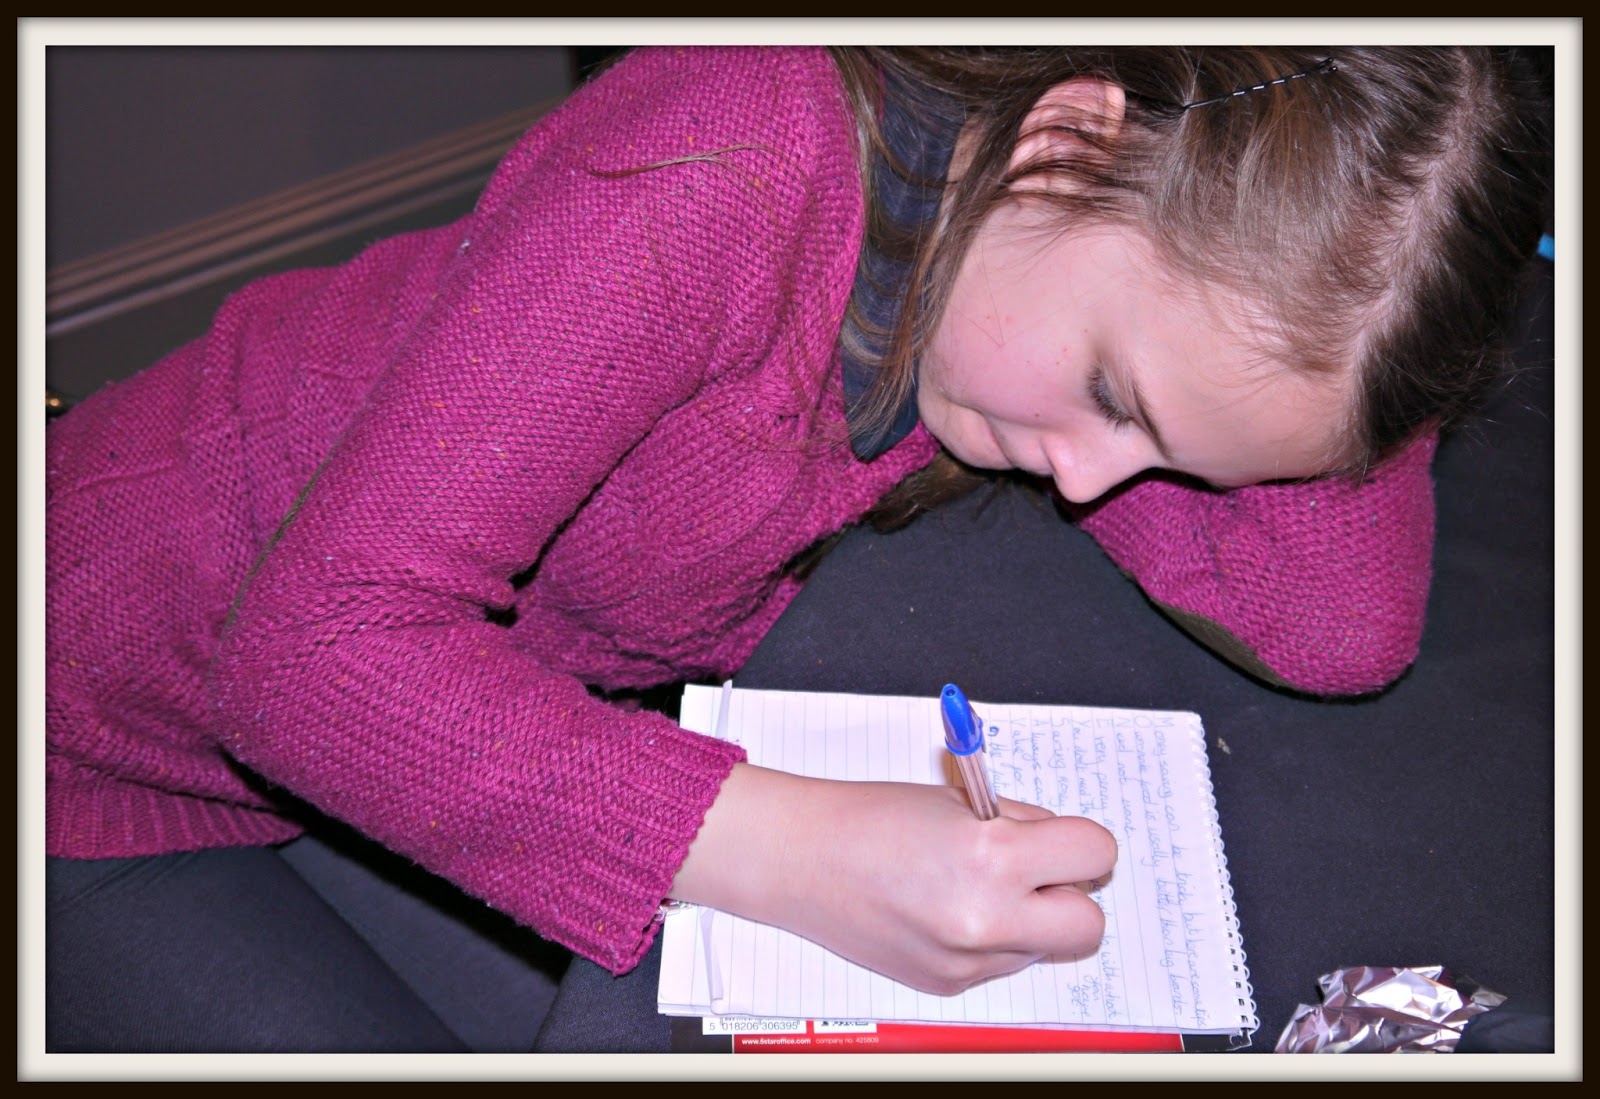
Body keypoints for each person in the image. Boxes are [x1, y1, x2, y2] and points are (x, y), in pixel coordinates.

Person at [44, 45, 1551, 1052]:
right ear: (1064, 140)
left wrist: (1355, 311)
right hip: (88, 726)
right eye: (1111, 397)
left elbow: (1335, 621)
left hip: (418, 730)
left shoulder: (1012, 267)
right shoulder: (716, 170)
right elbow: (309, 660)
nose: (1095, 487)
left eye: (1163, 455)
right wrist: (795, 849)